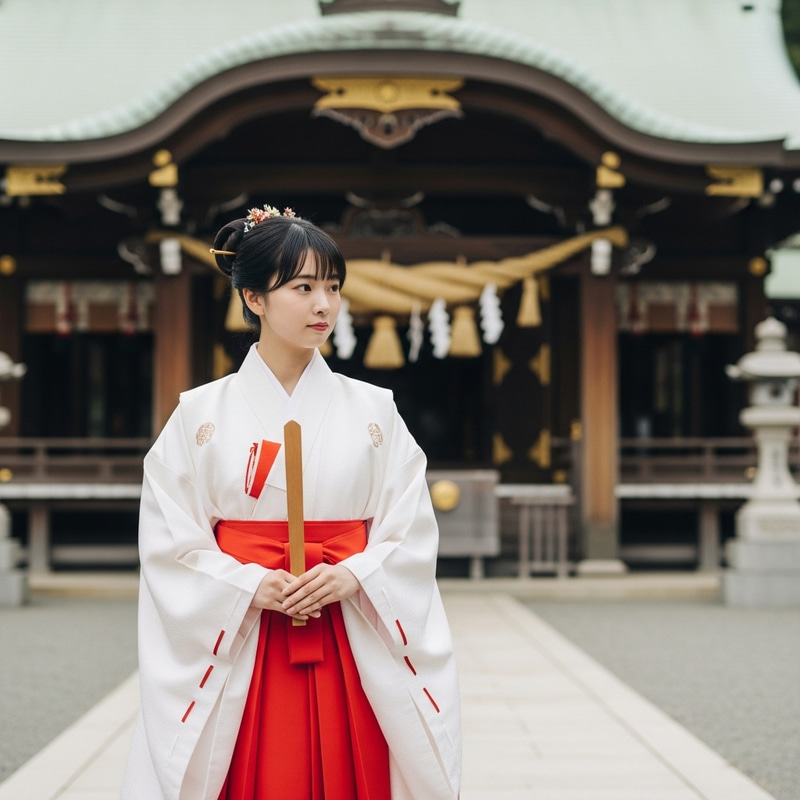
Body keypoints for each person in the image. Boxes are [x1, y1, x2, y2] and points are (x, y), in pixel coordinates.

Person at [120, 205, 462, 800]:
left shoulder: (374, 411)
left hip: (345, 625)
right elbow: (171, 539)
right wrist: (246, 584)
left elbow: (408, 527)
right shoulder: (200, 415)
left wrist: (354, 573)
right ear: (254, 297)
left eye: (332, 287)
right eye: (303, 287)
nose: (324, 305)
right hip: (249, 627)